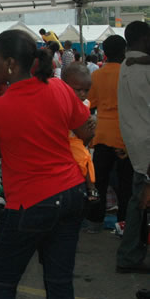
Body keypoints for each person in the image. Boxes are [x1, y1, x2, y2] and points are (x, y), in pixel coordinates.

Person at [0, 30, 93, 299]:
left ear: (12, 64)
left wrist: (16, 143)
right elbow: (84, 130)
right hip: (70, 194)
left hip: (29, 204)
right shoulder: (58, 87)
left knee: (0, 285)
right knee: (59, 283)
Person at [86, 35, 133, 233]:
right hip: (125, 134)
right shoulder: (129, 73)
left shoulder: (97, 75)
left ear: (104, 53)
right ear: (125, 51)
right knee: (126, 184)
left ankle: (95, 221)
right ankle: (123, 222)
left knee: (99, 182)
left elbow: (90, 104)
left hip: (102, 134)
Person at [116, 21, 150, 274]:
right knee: (140, 203)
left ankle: (129, 254)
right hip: (146, 143)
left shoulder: (126, 66)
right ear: (144, 39)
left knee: (138, 200)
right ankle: (128, 255)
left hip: (137, 141)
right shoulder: (141, 68)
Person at [61, 63, 99, 204]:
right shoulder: (61, 101)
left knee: (85, 158)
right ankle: (91, 187)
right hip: (68, 141)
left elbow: (89, 126)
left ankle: (91, 187)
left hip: (77, 140)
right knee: (84, 158)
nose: (82, 94)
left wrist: (93, 119)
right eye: (78, 90)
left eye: (86, 90)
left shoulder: (85, 103)